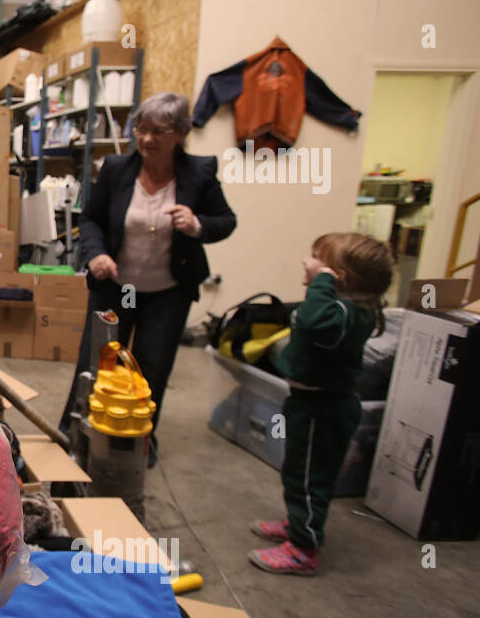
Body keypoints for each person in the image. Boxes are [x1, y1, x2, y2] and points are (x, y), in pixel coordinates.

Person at [64, 91, 237, 465]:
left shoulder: (200, 173)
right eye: (140, 129)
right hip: (117, 286)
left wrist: (197, 225)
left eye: (158, 131)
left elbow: (226, 221)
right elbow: (90, 218)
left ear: (180, 133)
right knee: (96, 363)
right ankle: (76, 433)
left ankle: (139, 441)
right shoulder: (116, 168)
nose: (146, 139)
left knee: (151, 367)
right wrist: (96, 254)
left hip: (167, 291)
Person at [249, 233, 394, 575]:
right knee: (296, 473)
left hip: (324, 409)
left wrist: (322, 280)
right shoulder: (339, 307)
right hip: (307, 402)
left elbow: (313, 320)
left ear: (337, 276)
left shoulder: (346, 313)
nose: (306, 261)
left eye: (317, 258)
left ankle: (303, 550)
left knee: (311, 480)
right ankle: (298, 525)